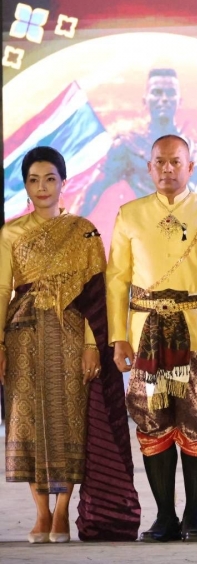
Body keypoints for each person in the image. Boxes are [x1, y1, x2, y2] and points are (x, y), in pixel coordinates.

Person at [0, 146, 140, 544]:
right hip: (23, 337)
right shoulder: (10, 233)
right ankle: (41, 512)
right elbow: (2, 290)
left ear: (64, 182)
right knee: (28, 422)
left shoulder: (84, 231)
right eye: (33, 180)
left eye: (50, 179)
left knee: (70, 423)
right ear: (25, 186)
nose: (42, 187)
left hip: (71, 337)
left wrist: (93, 345)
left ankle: (62, 511)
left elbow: (98, 295)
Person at [106, 134, 197, 543]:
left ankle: (194, 515)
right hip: (145, 338)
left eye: (175, 162)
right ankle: (164, 516)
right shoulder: (130, 214)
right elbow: (117, 280)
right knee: (152, 423)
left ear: (190, 167)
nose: (167, 169)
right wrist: (118, 337)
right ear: (149, 167)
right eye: (160, 162)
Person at [76, 68, 196, 215]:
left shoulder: (195, 151)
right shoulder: (129, 145)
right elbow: (94, 190)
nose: (164, 99)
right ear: (145, 101)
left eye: (170, 93)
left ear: (180, 101)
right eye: (157, 92)